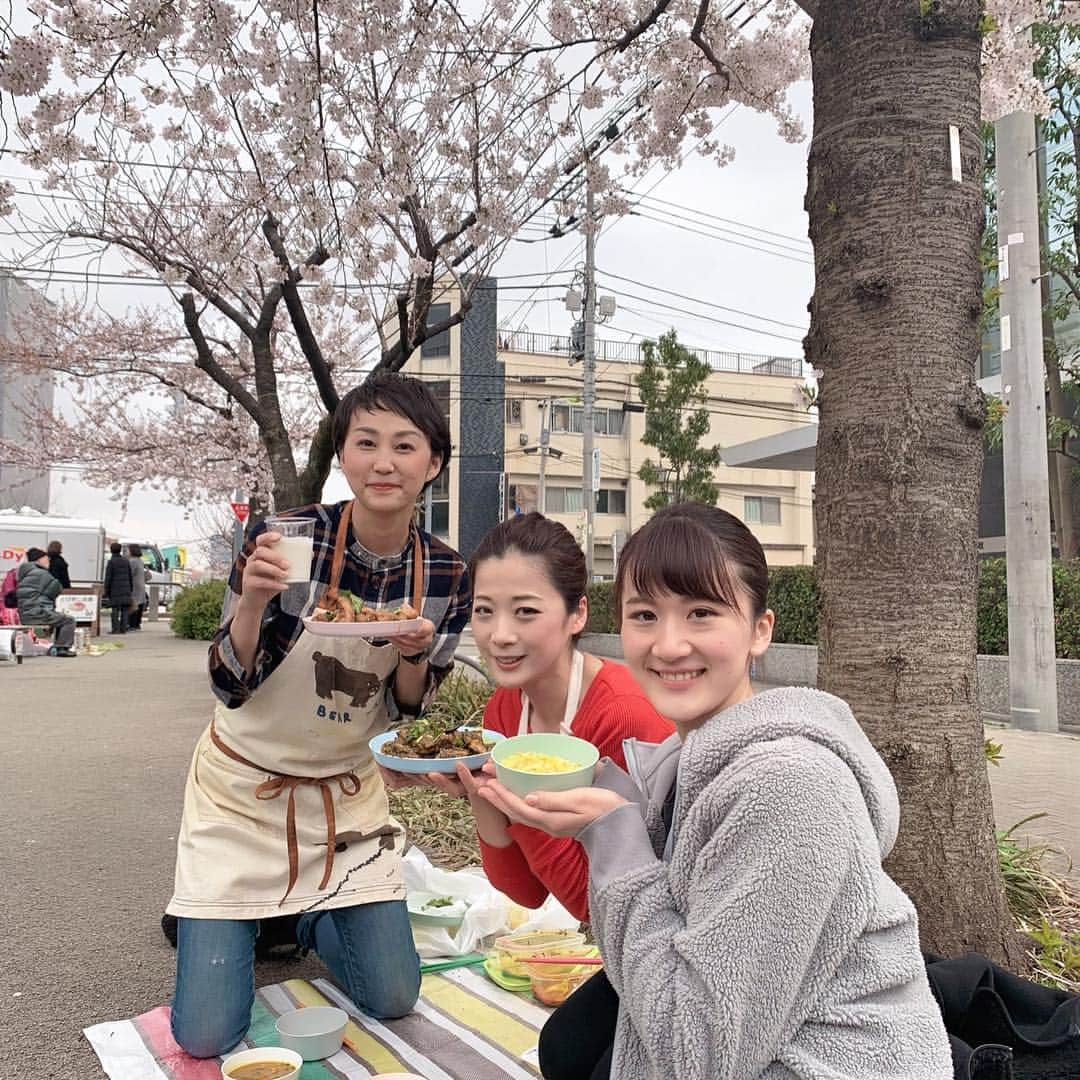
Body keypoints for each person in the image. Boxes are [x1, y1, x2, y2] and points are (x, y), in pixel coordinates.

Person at [471, 503, 954, 1080]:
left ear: (759, 630)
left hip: (825, 1060)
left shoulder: (789, 789)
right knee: (569, 1042)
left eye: (701, 613)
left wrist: (617, 839)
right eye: (645, 615)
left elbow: (696, 1057)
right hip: (738, 1036)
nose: (669, 646)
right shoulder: (679, 763)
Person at [166, 371, 472, 1059]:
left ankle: (302, 922)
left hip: (347, 797)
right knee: (208, 1035)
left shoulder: (445, 575)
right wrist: (249, 602)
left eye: (404, 445)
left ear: (435, 463)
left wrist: (417, 653)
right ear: (342, 456)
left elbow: (411, 711)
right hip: (245, 791)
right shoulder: (285, 538)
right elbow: (227, 685)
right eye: (366, 443)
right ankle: (222, 919)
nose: (384, 463)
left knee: (393, 995)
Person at [386, 513, 673, 922]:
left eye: (525, 611)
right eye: (484, 611)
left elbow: (589, 903)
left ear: (577, 614)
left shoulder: (623, 715)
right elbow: (523, 891)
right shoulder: (504, 709)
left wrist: (518, 800)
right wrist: (482, 793)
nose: (499, 634)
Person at [16, 547, 77, 657]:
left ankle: (58, 647)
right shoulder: (41, 573)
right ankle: (62, 648)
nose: (49, 561)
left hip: (25, 613)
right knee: (68, 620)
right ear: (39, 560)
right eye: (46, 559)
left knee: (61, 619)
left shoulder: (24, 573)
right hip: (37, 613)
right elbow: (56, 589)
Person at [103, 542, 134, 634]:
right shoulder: (126, 561)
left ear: (111, 551)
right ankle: (123, 629)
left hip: (115, 590)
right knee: (125, 610)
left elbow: (108, 578)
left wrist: (106, 590)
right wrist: (130, 589)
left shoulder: (111, 562)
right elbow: (130, 576)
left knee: (115, 610)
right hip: (126, 588)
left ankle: (115, 629)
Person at [127, 543, 149, 629]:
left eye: (128, 550)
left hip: (134, 585)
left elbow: (130, 573)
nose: (127, 552)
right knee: (139, 604)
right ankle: (137, 624)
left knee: (134, 604)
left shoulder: (132, 561)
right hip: (141, 585)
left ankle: (132, 624)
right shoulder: (140, 561)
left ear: (132, 551)